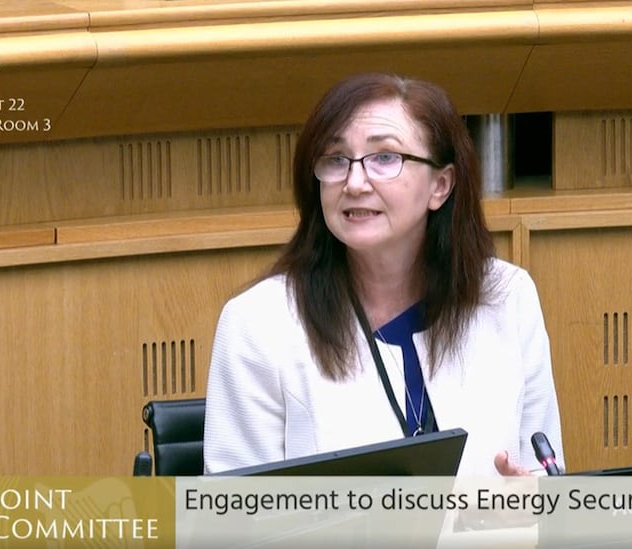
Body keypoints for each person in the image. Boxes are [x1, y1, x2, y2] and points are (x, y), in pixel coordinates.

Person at [203, 72, 564, 477]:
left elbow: (545, 472)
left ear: (440, 185)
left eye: (385, 158)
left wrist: (531, 512)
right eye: (337, 160)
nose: (355, 183)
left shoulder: (507, 300)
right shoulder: (259, 324)